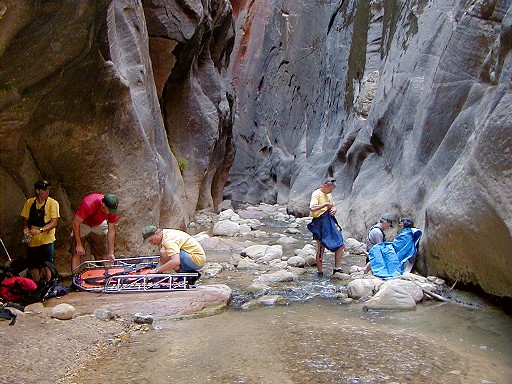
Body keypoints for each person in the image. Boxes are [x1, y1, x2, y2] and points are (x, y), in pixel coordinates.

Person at [20, 180, 60, 283]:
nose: (47, 192)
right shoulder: (29, 202)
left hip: (47, 238)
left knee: (47, 263)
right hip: (33, 239)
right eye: (44, 190)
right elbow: (25, 219)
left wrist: (41, 230)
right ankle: (36, 285)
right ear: (38, 191)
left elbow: (54, 222)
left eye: (48, 190)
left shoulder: (53, 203)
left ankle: (49, 283)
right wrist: (26, 228)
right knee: (33, 264)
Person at [70, 193, 119, 274]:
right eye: (109, 210)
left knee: (106, 253)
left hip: (99, 224)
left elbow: (111, 230)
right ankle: (75, 277)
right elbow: (76, 223)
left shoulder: (112, 210)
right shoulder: (89, 204)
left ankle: (109, 277)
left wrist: (111, 252)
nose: (111, 212)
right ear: (103, 205)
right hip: (83, 224)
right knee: (77, 253)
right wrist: (79, 244)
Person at [307, 178, 344, 276]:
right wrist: (325, 204)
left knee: (340, 242)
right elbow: (312, 208)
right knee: (321, 247)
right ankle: (320, 271)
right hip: (319, 221)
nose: (331, 191)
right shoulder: (316, 194)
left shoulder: (329, 195)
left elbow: (333, 206)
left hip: (329, 220)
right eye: (331, 189)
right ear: (325, 186)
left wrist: (334, 209)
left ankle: (337, 267)